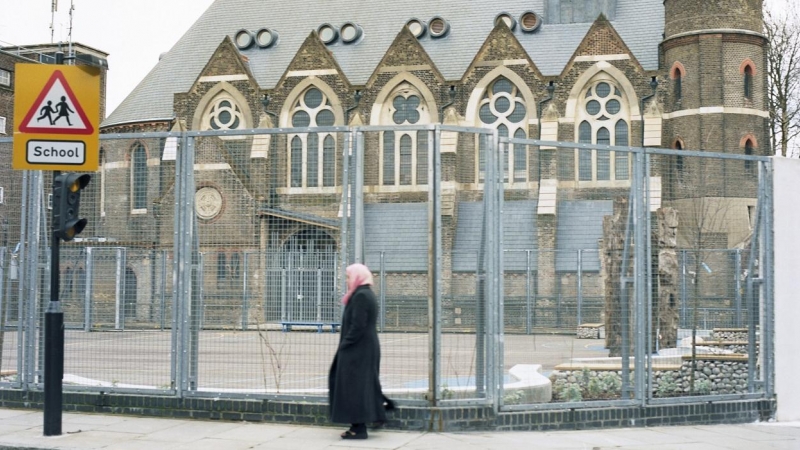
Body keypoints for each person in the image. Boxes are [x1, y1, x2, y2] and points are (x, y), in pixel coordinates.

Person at [328, 263, 394, 440]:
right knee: (361, 386)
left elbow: (358, 325)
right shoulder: (363, 294)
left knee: (353, 387)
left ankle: (359, 428)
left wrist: (345, 345)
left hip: (358, 350)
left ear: (357, 277)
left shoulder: (361, 296)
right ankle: (377, 414)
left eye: (349, 277)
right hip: (363, 348)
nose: (347, 280)